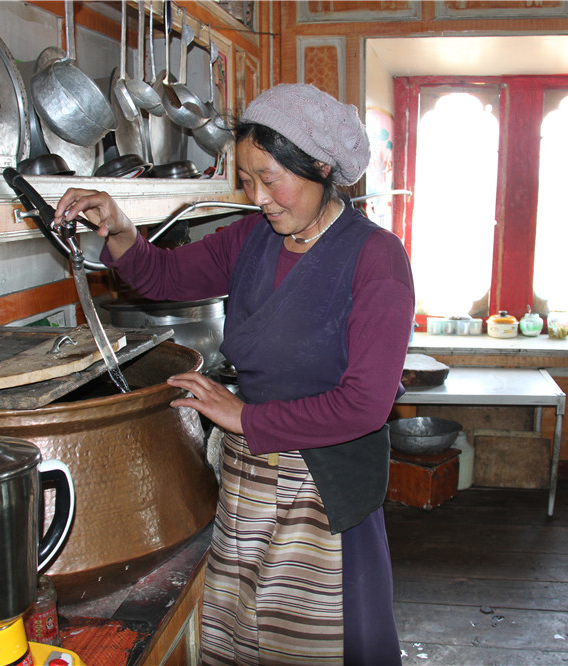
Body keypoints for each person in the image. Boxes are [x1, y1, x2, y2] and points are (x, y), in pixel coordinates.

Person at [56, 83, 415, 665]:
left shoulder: (375, 258)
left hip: (326, 490)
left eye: (270, 179)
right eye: (247, 180)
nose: (259, 198)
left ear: (322, 167)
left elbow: (364, 405)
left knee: (321, 641)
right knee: (247, 633)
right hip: (251, 479)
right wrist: (120, 228)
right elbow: (165, 278)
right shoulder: (253, 238)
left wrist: (243, 416)